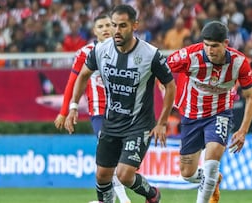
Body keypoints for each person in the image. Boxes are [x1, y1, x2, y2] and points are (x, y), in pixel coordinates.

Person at [64, 5, 176, 203]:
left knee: (124, 175)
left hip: (139, 124)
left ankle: (152, 194)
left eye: (122, 26)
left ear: (134, 26)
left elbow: (170, 85)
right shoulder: (100, 50)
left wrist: (162, 122)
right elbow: (83, 76)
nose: (116, 30)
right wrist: (73, 107)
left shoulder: (151, 54)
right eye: (114, 25)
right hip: (111, 122)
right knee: (102, 175)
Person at [167, 21, 252, 203]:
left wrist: (243, 130)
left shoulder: (239, 62)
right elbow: (161, 68)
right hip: (191, 116)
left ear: (225, 43)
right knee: (187, 174)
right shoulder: (190, 56)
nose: (209, 50)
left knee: (211, 163)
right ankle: (213, 180)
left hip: (219, 114)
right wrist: (165, 87)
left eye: (214, 46)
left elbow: (251, 97)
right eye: (206, 45)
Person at [54, 14, 131, 203]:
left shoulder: (127, 50)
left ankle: (108, 200)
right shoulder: (85, 53)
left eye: (108, 25)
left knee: (122, 159)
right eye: (100, 26)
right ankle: (124, 198)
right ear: (94, 31)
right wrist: (65, 111)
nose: (105, 29)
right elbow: (72, 84)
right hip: (99, 113)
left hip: (124, 112)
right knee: (110, 155)